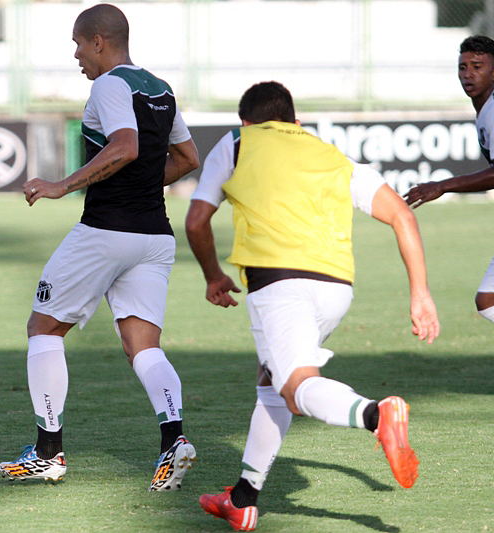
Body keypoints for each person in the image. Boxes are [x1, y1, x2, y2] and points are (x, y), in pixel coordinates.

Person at [185, 81, 440, 531]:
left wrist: (213, 276)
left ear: (246, 122)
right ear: (295, 123)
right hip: (336, 288)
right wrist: (420, 294)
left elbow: (196, 220)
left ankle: (377, 415)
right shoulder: (330, 154)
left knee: (296, 386)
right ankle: (243, 499)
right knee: (271, 379)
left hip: (279, 284)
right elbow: (402, 214)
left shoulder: (238, 142)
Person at [0, 3, 200, 492]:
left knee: (43, 328)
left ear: (100, 42)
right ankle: (173, 441)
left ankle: (48, 453)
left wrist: (63, 185)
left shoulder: (108, 84)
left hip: (105, 232)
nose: (76, 55)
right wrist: (145, 188)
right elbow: (188, 158)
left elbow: (126, 146)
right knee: (142, 346)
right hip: (154, 237)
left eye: (78, 45)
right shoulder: (161, 88)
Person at [405, 35, 494, 337]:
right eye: (463, 67)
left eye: (477, 66)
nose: (468, 74)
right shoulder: (490, 108)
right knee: (490, 299)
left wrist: (442, 186)